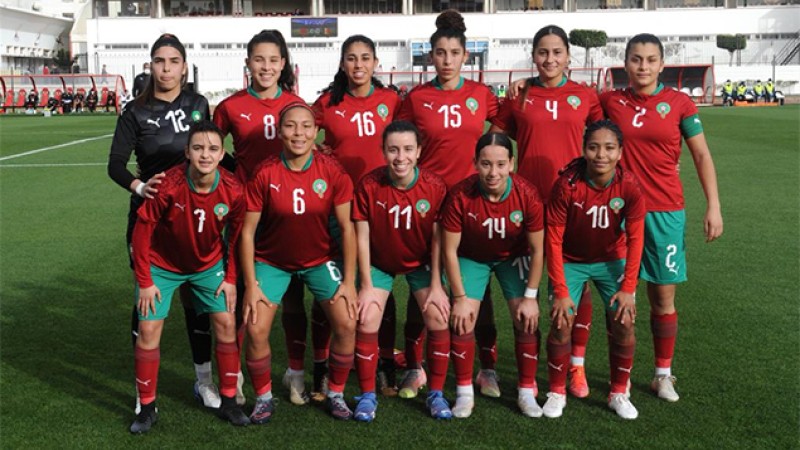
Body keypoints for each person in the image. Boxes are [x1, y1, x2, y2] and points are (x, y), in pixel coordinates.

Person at [107, 33, 239, 416]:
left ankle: (204, 380)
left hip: (197, 212)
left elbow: (212, 149)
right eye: (159, 61)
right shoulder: (134, 112)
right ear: (151, 65)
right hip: (152, 215)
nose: (166, 68)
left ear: (184, 66)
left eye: (173, 61)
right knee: (147, 300)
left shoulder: (197, 104)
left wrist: (249, 178)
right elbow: (115, 164)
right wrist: (139, 185)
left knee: (198, 304)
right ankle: (143, 393)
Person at [599, 33, 723, 402]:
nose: (643, 67)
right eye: (636, 59)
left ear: (661, 64)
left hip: (666, 210)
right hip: (619, 212)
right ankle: (617, 380)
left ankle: (662, 375)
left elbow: (701, 156)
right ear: (625, 64)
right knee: (618, 298)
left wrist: (713, 205)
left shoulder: (679, 103)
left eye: (651, 60)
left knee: (662, 297)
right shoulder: (609, 101)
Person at [493, 25, 604, 400]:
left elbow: (607, 140)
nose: (550, 59)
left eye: (557, 52)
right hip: (527, 203)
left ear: (568, 55)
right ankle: (531, 371)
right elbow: (494, 142)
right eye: (542, 52)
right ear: (533, 55)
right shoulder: (519, 95)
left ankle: (575, 366)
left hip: (574, 203)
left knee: (575, 284)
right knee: (529, 287)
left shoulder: (586, 96)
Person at [396, 9, 501, 400]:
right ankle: (414, 366)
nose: (446, 60)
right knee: (423, 283)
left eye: (453, 53)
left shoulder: (482, 96)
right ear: (430, 56)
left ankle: (487, 368)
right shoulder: (417, 98)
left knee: (478, 286)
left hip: (474, 203)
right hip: (428, 204)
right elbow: (400, 142)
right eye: (439, 53)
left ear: (464, 56)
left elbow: (501, 131)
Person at [129, 121, 249, 433]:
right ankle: (146, 406)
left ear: (222, 154)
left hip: (208, 266)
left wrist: (231, 277)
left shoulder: (234, 190)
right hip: (162, 266)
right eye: (198, 148)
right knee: (149, 326)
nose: (205, 155)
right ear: (187, 152)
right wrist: (145, 281)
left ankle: (228, 402)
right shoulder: (167, 184)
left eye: (212, 149)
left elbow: (236, 237)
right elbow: (142, 233)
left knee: (225, 321)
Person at [240, 102, 358, 422]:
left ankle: (335, 393)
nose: (299, 133)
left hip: (320, 259)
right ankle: (263, 398)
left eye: (306, 126)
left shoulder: (331, 170)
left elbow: (347, 229)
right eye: (291, 126)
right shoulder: (264, 172)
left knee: (347, 321)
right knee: (255, 327)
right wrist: (251, 285)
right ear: (279, 132)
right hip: (272, 261)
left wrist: (348, 281)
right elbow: (247, 232)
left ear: (316, 131)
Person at [212, 29, 311, 406]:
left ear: (283, 63)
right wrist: (231, 184)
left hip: (289, 213)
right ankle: (233, 376)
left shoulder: (297, 104)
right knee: (240, 296)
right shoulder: (231, 107)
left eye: (273, 60)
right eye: (259, 59)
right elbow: (208, 148)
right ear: (248, 62)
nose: (266, 67)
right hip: (247, 215)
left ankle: (296, 372)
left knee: (294, 298)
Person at [312, 34, 402, 397]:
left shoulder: (392, 100)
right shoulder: (327, 103)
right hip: (337, 208)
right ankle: (321, 367)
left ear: (376, 62)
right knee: (331, 287)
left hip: (382, 205)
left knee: (382, 284)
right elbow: (299, 130)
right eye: (351, 58)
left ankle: (383, 364)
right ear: (342, 63)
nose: (359, 65)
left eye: (366, 58)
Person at [542, 120, 645, 420]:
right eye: (594, 147)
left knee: (624, 322)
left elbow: (636, 238)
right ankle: (557, 392)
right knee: (561, 324)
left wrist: (628, 288)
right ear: (584, 150)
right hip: (571, 261)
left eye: (609, 148)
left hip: (611, 259)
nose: (601, 154)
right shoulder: (566, 185)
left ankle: (618, 392)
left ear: (620, 152)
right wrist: (560, 291)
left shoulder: (629, 185)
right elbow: (553, 240)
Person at [351, 120, 451, 421]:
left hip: (420, 264)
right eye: (393, 150)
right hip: (379, 264)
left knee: (437, 314)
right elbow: (362, 237)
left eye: (408, 149)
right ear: (383, 151)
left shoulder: (434, 187)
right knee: (367, 317)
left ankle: (435, 393)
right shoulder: (369, 185)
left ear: (419, 151)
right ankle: (367, 396)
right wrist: (366, 285)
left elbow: (437, 241)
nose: (400, 157)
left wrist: (436, 285)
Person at [441, 132, 544, 418]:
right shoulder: (460, 194)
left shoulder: (527, 194)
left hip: (514, 258)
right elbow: (450, 250)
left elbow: (538, 250)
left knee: (526, 318)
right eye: (486, 164)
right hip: (472, 258)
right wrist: (459, 297)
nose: (493, 172)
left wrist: (531, 297)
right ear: (475, 163)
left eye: (500, 164)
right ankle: (464, 393)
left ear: (512, 163)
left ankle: (526, 391)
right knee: (462, 319)